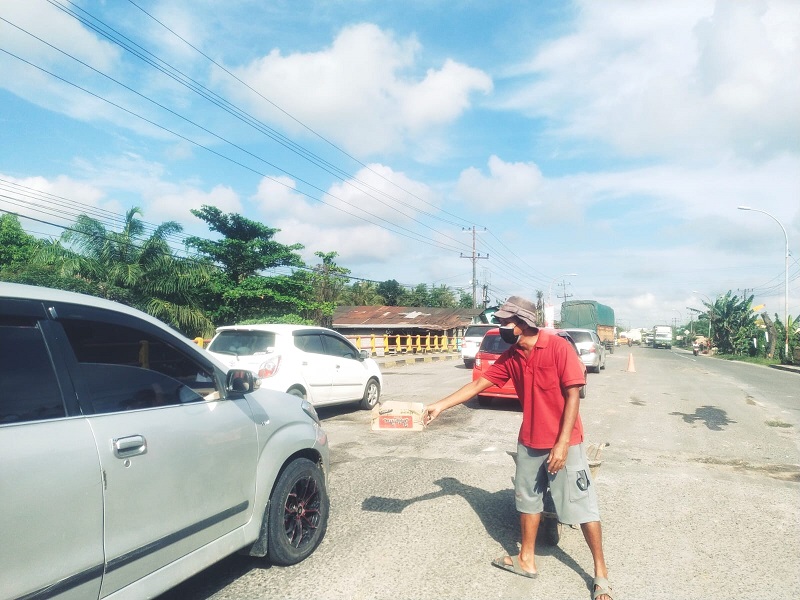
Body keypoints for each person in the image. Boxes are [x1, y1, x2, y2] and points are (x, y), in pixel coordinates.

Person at [424, 296, 613, 600]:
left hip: (565, 440)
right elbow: (477, 385)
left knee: (582, 505)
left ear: (523, 323)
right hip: (529, 440)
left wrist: (562, 444)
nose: (500, 327)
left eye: (504, 322)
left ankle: (601, 573)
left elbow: (574, 395)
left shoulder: (558, 348)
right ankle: (526, 559)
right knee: (527, 502)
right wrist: (439, 406)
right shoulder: (512, 356)